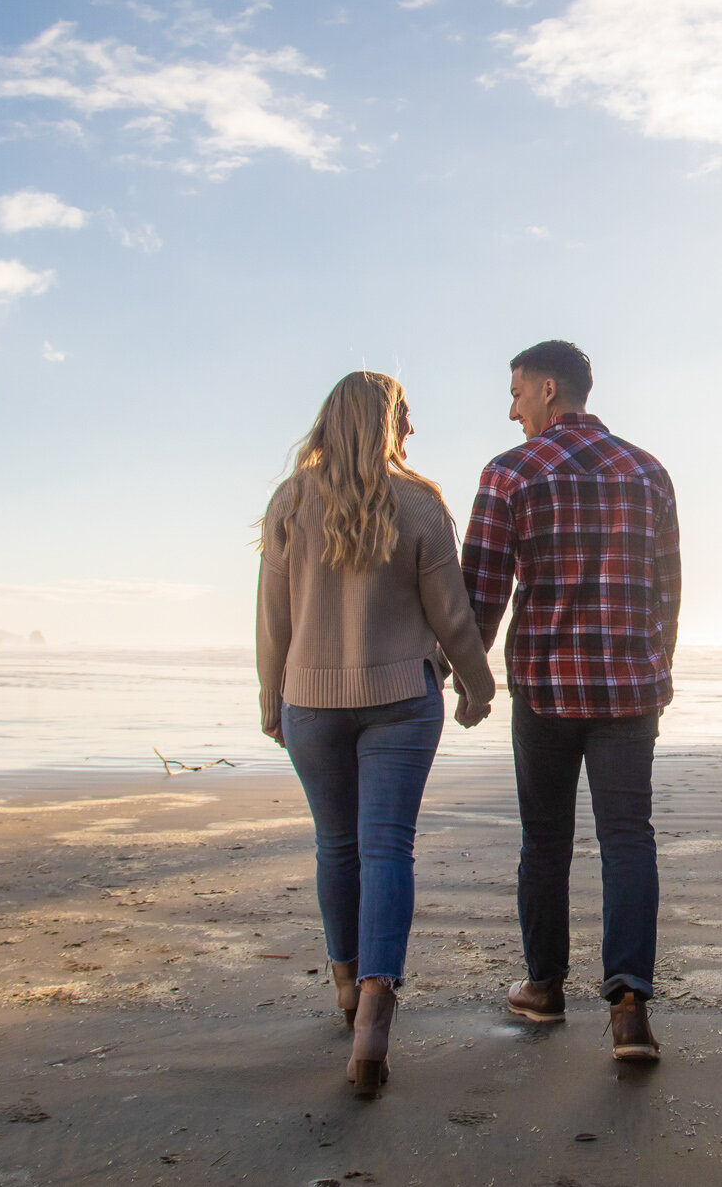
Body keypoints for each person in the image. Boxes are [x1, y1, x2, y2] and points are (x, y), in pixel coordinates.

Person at [256, 371, 495, 1092]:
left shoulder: (290, 500)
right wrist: (479, 687)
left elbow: (274, 616)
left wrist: (273, 694)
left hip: (312, 700)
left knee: (337, 844)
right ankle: (373, 1020)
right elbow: (452, 613)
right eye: (406, 415)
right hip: (400, 698)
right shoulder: (421, 504)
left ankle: (343, 984)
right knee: (386, 845)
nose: (413, 430)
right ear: (384, 422)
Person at [461, 340, 680, 1063]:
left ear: (549, 389)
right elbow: (666, 589)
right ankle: (629, 1008)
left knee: (546, 840)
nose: (512, 406)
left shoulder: (509, 473)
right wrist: (658, 666)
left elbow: (480, 595)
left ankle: (546, 987)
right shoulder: (648, 472)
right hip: (628, 688)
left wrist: (466, 676)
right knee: (627, 838)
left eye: (517, 390)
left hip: (548, 690)